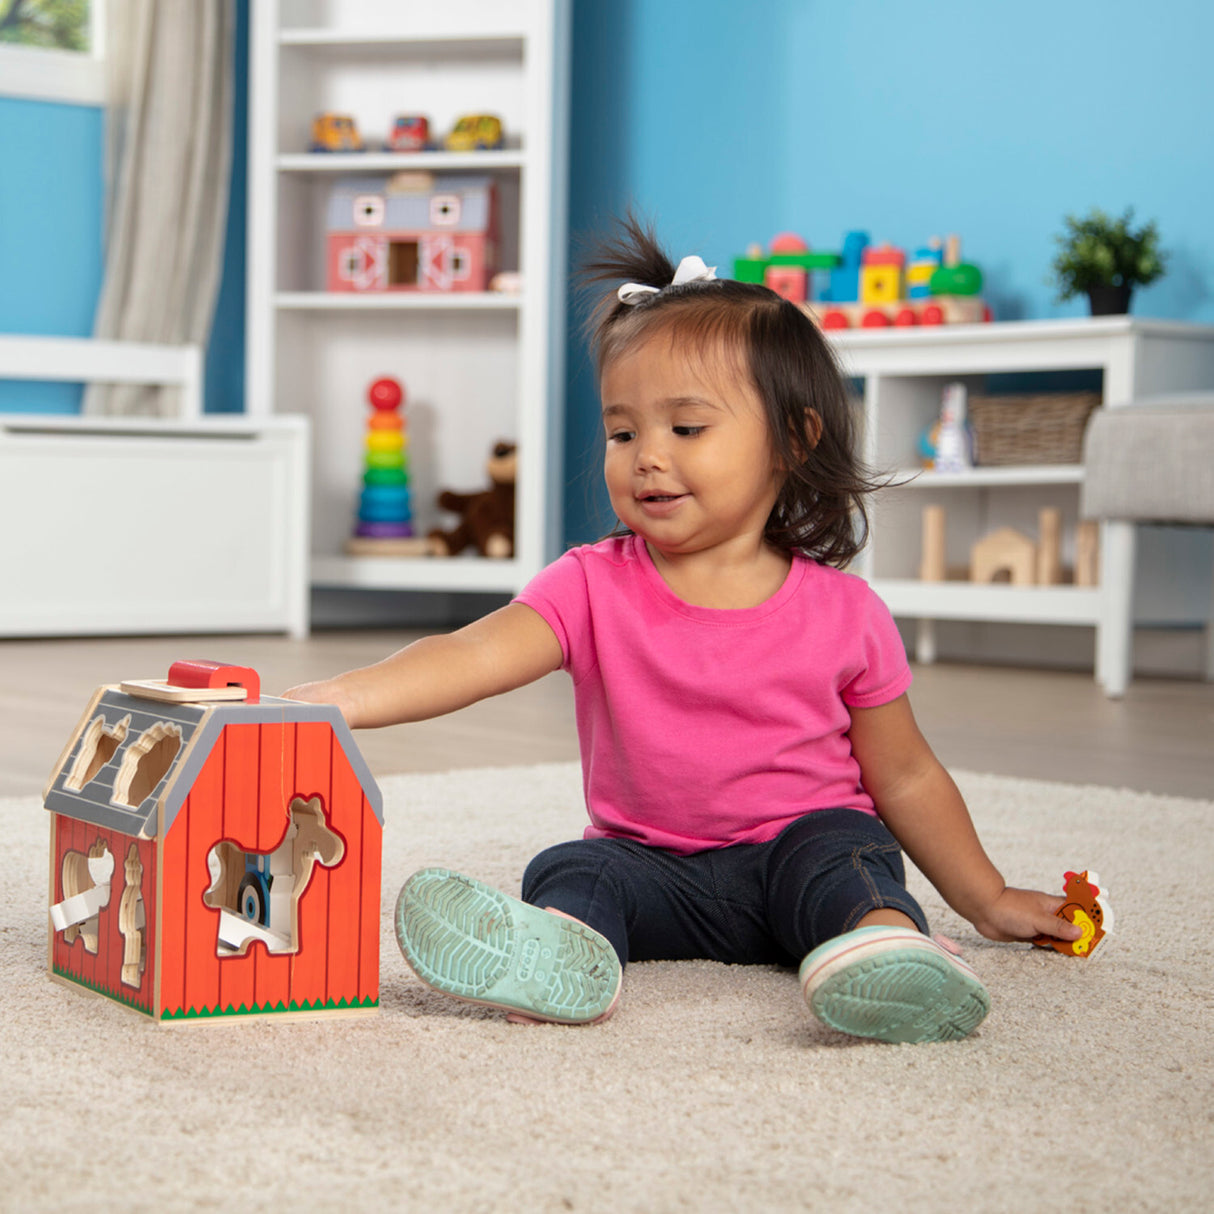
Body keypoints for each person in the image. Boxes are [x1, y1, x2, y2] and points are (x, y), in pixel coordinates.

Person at [284, 217, 1081, 1043]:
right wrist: (333, 699)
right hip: (651, 867)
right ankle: (564, 956)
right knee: (571, 867)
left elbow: (907, 776)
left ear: (793, 440)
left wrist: (985, 897)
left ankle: (885, 950)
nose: (646, 457)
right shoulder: (591, 584)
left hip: (796, 852)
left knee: (852, 859)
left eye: (686, 429)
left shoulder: (847, 614)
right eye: (623, 432)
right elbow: (471, 653)